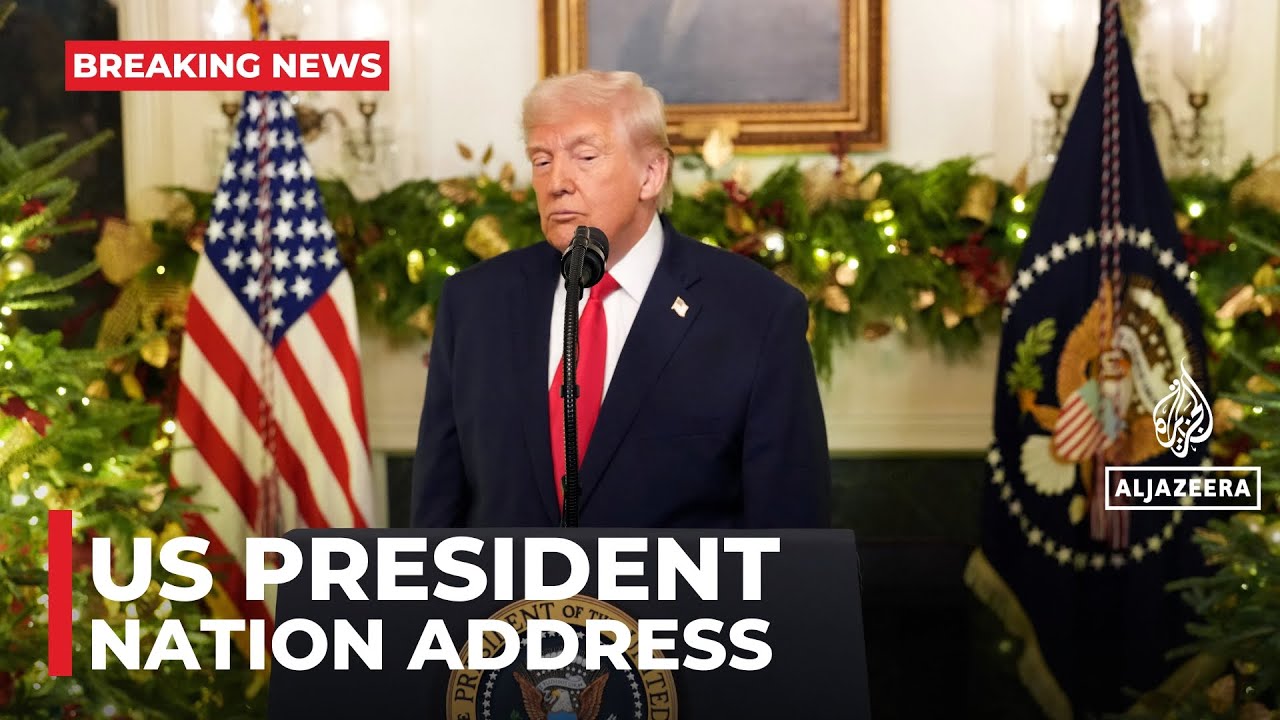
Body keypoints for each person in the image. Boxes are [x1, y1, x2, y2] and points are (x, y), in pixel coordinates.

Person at [410, 70, 829, 528]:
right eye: (541, 160)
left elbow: (791, 532)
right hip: (507, 601)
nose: (557, 183)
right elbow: (437, 515)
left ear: (651, 174)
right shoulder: (475, 303)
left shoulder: (756, 312)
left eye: (585, 156)